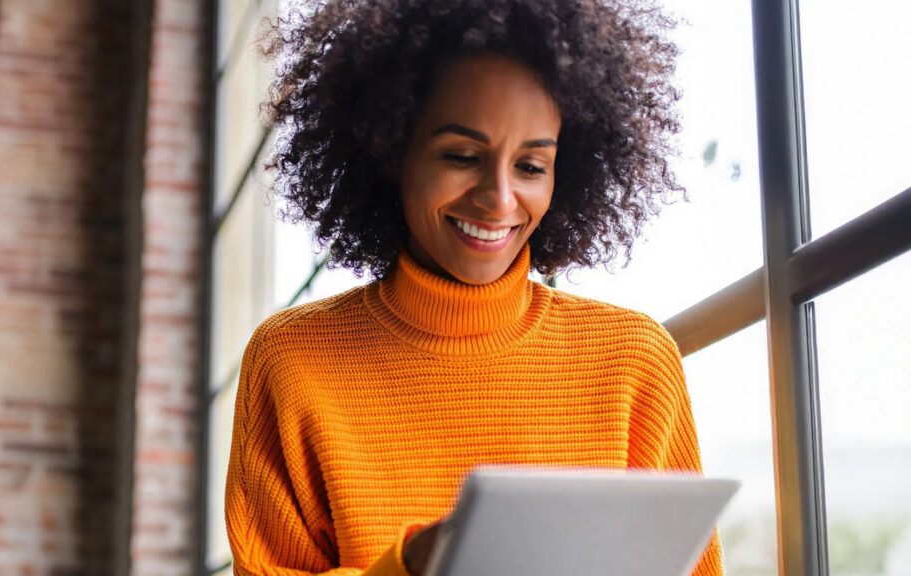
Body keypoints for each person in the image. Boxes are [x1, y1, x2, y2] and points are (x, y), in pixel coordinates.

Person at [225, 1, 722, 575]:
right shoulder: (293, 359)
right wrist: (411, 565)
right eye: (462, 155)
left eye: (532, 166)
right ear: (389, 150)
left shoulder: (634, 361)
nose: (500, 199)